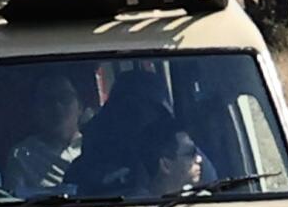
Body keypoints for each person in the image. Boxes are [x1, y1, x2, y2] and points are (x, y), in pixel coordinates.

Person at [76, 62, 203, 199]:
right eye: (128, 110)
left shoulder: (183, 147)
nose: (137, 119)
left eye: (148, 109)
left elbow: (218, 186)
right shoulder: (87, 168)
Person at [0, 66, 87, 195]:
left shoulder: (98, 147)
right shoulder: (21, 155)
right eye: (48, 100)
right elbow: (13, 201)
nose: (57, 107)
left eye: (64, 98)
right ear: (35, 110)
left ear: (80, 107)